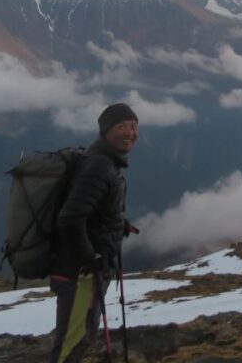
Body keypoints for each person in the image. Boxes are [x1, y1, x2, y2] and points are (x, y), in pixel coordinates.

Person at [49, 102, 139, 363]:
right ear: (105, 132)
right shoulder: (100, 167)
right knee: (73, 341)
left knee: (79, 335)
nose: (129, 132)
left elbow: (89, 211)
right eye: (121, 126)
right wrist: (91, 258)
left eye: (133, 126)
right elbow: (70, 218)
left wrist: (115, 223)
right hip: (81, 272)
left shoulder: (104, 163)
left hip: (83, 269)